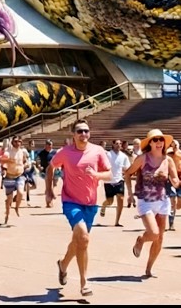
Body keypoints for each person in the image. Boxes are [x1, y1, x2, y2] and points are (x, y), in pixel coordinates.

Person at [51, 120, 112, 299]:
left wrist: (96, 175)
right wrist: (48, 190)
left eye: (86, 131)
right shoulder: (65, 152)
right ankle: (84, 282)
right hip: (70, 201)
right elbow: (51, 167)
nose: (83, 134)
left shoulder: (98, 151)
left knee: (80, 242)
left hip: (91, 203)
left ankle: (63, 265)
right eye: (79, 131)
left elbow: (109, 174)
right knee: (83, 237)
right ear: (73, 134)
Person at [125, 128, 178, 280]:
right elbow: (128, 173)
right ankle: (141, 240)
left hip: (162, 200)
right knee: (153, 234)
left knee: (160, 238)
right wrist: (129, 193)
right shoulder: (142, 159)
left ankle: (149, 268)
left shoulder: (168, 160)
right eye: (155, 140)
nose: (159, 142)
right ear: (150, 143)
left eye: (161, 140)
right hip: (145, 201)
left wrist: (176, 182)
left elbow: (174, 179)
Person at [101, 138, 131, 227]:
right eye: (117, 143)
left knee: (121, 200)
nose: (119, 145)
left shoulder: (124, 156)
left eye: (120, 144)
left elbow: (127, 168)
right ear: (113, 144)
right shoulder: (108, 154)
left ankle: (117, 221)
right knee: (110, 201)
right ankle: (103, 206)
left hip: (119, 180)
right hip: (109, 180)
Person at [0, 136, 29, 224]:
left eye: (19, 141)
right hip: (9, 176)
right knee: (9, 198)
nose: (17, 143)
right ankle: (7, 213)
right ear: (12, 142)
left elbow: (25, 160)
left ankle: (17, 208)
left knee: (20, 193)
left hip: (20, 175)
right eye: (15, 141)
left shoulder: (22, 151)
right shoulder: (8, 152)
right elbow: (1, 160)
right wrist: (8, 160)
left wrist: (26, 164)